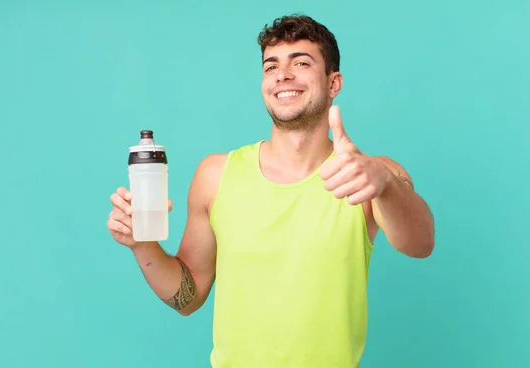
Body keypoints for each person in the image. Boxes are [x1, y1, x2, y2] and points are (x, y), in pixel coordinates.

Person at [107, 14, 435, 368]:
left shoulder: (369, 175)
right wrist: (142, 243)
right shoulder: (215, 176)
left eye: (302, 62)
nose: (283, 74)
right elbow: (188, 298)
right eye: (271, 66)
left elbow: (420, 244)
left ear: (334, 82)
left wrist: (384, 183)